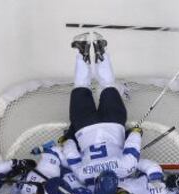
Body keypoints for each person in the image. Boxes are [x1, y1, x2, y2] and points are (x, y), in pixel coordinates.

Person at [60, 32, 142, 185]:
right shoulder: (83, 176)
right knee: (81, 87)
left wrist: (136, 133)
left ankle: (100, 51)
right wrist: (68, 137)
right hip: (84, 127)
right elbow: (70, 152)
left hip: (113, 123)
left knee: (108, 86)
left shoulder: (125, 170)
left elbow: (133, 146)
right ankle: (82, 52)